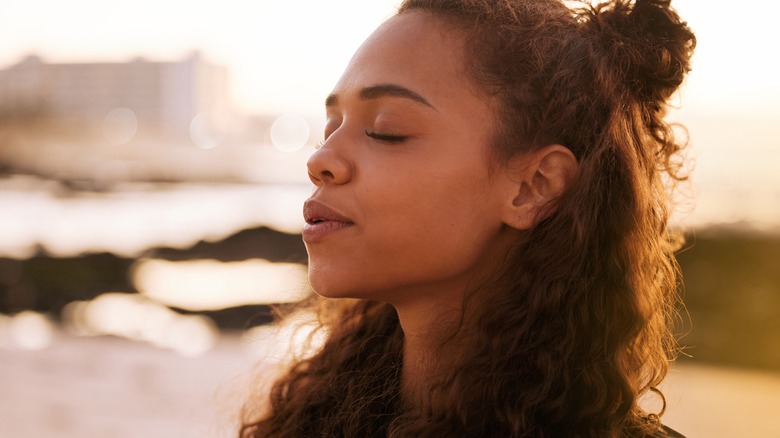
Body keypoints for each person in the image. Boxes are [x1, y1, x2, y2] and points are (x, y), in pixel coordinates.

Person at [240, 0, 695, 436]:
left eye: (385, 131)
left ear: (533, 186)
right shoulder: (315, 420)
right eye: (330, 128)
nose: (320, 159)